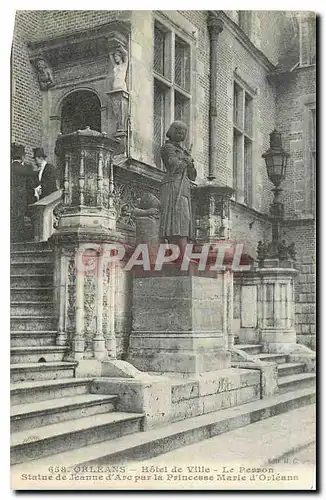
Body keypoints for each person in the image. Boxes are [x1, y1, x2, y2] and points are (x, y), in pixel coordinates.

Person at [159, 121, 197, 261]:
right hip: (173, 186)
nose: (181, 134)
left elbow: (192, 175)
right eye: (179, 130)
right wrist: (185, 160)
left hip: (184, 186)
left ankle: (183, 254)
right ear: (172, 131)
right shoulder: (167, 148)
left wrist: (191, 164)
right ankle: (178, 255)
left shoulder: (183, 151)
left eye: (184, 132)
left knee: (184, 219)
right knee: (176, 220)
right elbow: (173, 166)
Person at [11, 143, 38, 241]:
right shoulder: (24, 169)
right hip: (20, 198)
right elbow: (33, 181)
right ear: (22, 156)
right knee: (19, 219)